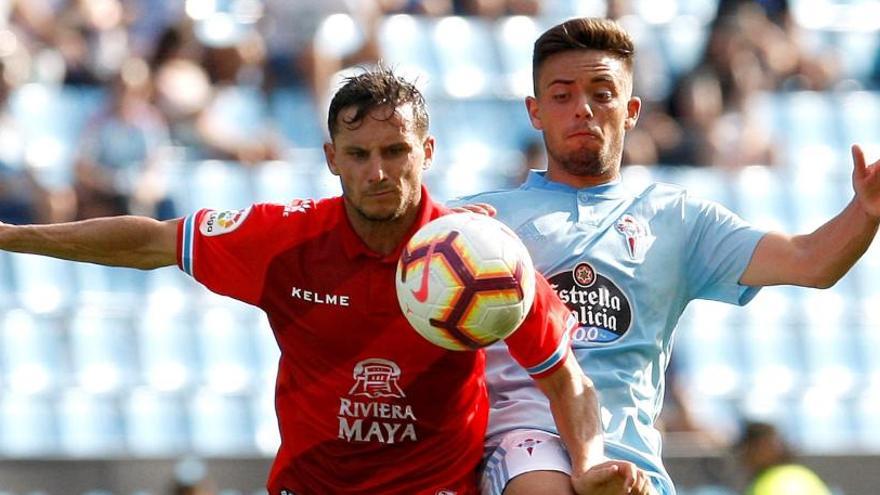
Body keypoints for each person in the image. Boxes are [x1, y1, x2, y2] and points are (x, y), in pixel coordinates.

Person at [0, 67, 643, 494]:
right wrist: (13, 236)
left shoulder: (483, 257)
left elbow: (566, 378)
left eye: (395, 152)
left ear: (427, 152)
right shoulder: (286, 240)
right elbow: (151, 241)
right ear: (332, 158)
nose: (377, 172)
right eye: (358, 155)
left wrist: (585, 464)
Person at [452, 17, 880, 495]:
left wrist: (866, 210)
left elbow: (810, 262)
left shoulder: (676, 219)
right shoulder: (479, 226)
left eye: (602, 93)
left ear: (631, 110)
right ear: (535, 111)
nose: (583, 110)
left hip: (634, 466)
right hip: (528, 450)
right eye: (562, 95)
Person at [737, 421, 831, 495]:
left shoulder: (782, 482)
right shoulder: (800, 473)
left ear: (763, 446)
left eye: (748, 447)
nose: (743, 455)